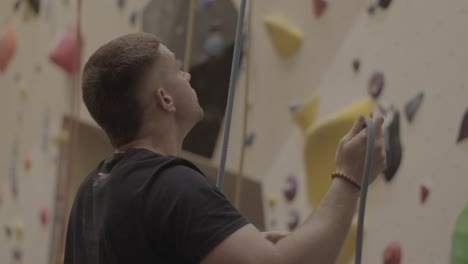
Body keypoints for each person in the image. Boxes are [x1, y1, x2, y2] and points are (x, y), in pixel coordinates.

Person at [64, 32, 386, 264]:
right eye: (177, 69)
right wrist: (349, 177)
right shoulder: (170, 184)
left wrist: (216, 244)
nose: (187, 74)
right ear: (165, 98)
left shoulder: (91, 191)